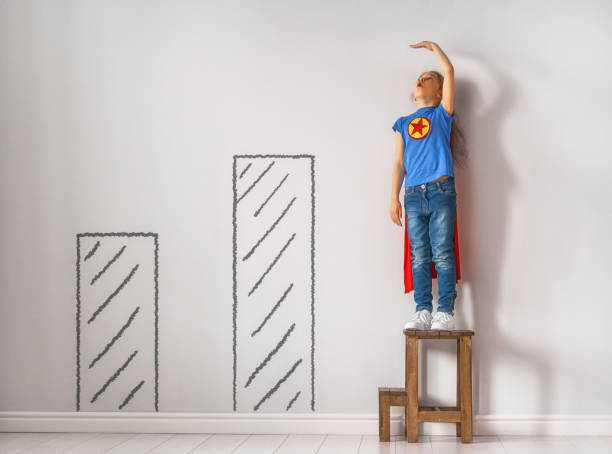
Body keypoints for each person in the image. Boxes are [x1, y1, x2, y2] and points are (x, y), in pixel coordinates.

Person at [389, 41, 458, 331]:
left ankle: (445, 312)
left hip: (441, 191)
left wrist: (434, 49)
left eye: (429, 78)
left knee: (442, 252)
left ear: (439, 92)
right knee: (419, 255)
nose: (421, 79)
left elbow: (450, 70)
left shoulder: (442, 115)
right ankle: (422, 310)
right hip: (414, 195)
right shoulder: (404, 123)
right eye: (420, 78)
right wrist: (394, 198)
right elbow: (398, 163)